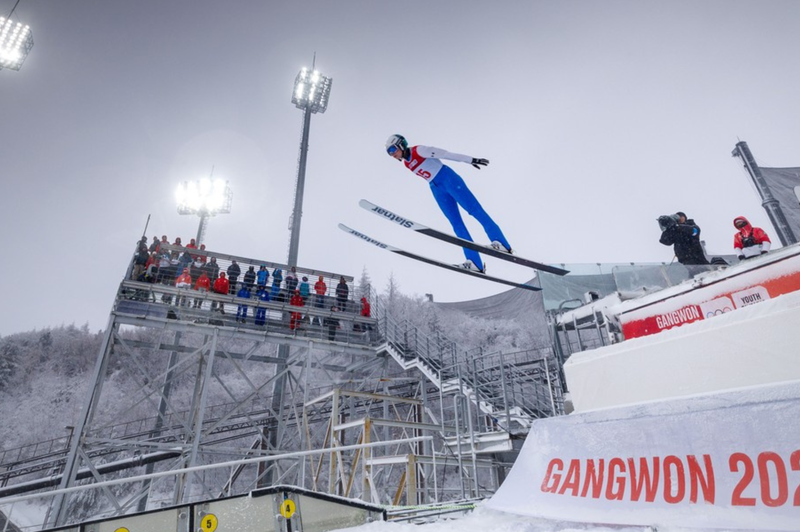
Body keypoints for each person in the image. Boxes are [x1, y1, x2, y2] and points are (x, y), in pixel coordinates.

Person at [385, 134, 512, 273]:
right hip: (436, 188)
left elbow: (446, 154)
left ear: (400, 145)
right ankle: (475, 262)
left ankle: (501, 242)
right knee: (456, 224)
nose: (392, 154)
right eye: (389, 152)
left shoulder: (419, 150)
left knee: (474, 210)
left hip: (448, 179)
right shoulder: (406, 163)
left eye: (393, 150)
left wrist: (471, 160)